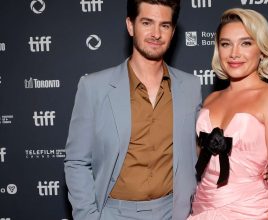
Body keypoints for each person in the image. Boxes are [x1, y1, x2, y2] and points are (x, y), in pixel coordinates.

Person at [64, 0, 202, 219]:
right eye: (147, 23)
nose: (156, 33)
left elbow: (201, 151)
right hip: (113, 213)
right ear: (130, 25)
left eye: (164, 25)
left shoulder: (192, 87)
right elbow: (77, 161)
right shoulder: (94, 87)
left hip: (173, 211)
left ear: (173, 31)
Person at [187, 8, 268, 220]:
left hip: (250, 213)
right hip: (202, 210)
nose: (234, 53)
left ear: (262, 49)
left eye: (246, 43)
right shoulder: (211, 99)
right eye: (226, 44)